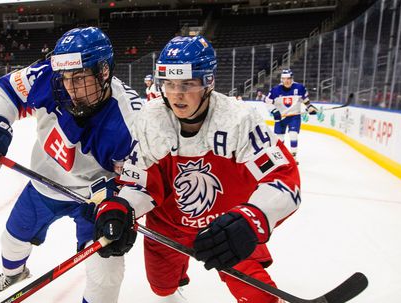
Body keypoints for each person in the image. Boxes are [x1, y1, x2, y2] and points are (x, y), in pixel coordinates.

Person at [92, 36, 301, 303]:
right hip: (168, 227)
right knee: (161, 289)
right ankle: (176, 278)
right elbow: (140, 182)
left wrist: (253, 218)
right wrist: (122, 207)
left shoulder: (238, 119)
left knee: (257, 293)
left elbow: (283, 177)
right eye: (168, 83)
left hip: (226, 224)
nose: (176, 93)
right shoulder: (150, 119)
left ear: (208, 82)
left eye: (187, 84)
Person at [0, 27, 143, 303]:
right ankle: (14, 274)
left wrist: (121, 206)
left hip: (94, 200)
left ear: (104, 71)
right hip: (44, 185)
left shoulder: (130, 120)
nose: (70, 89)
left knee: (107, 271)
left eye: (80, 78)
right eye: (65, 78)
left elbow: (140, 181)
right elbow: (7, 89)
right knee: (11, 241)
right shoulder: (49, 75)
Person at [264, 69, 317, 162]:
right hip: (281, 118)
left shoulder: (299, 88)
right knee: (280, 139)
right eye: (284, 79)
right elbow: (268, 102)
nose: (286, 81)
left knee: (293, 135)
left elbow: (305, 100)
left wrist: (309, 107)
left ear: (292, 78)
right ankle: (281, 158)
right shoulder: (275, 90)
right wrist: (274, 111)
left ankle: (293, 157)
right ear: (281, 79)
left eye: (288, 78)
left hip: (294, 117)